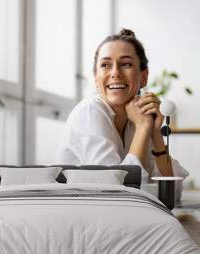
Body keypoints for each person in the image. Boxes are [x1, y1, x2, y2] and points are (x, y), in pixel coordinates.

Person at [57, 28, 189, 202]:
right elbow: (116, 194)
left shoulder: (138, 117)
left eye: (126, 64)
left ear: (144, 77)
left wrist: (155, 133)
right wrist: (143, 129)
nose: (115, 73)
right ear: (96, 78)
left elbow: (172, 194)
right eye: (105, 65)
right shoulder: (89, 113)